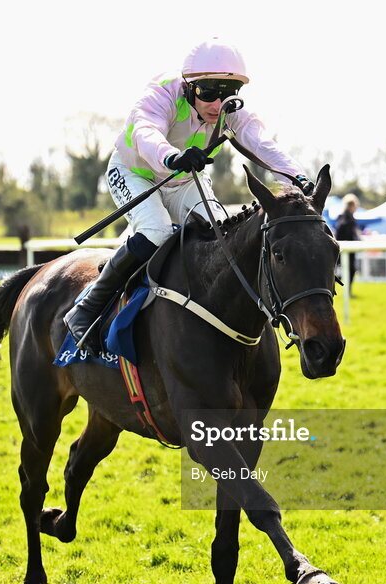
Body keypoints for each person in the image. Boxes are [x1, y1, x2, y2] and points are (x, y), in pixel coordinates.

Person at [64, 38, 313, 354]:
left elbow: (263, 146)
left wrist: (298, 179)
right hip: (135, 173)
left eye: (227, 95)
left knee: (221, 236)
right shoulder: (163, 92)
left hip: (183, 181)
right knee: (156, 231)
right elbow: (145, 131)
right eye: (208, 93)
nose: (216, 105)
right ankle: (88, 306)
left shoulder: (229, 110)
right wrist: (171, 157)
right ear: (189, 87)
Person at [334, 194, 360, 296]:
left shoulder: (344, 217)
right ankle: (347, 292)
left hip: (346, 247)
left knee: (347, 270)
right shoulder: (346, 218)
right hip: (345, 248)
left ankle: (347, 291)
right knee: (348, 271)